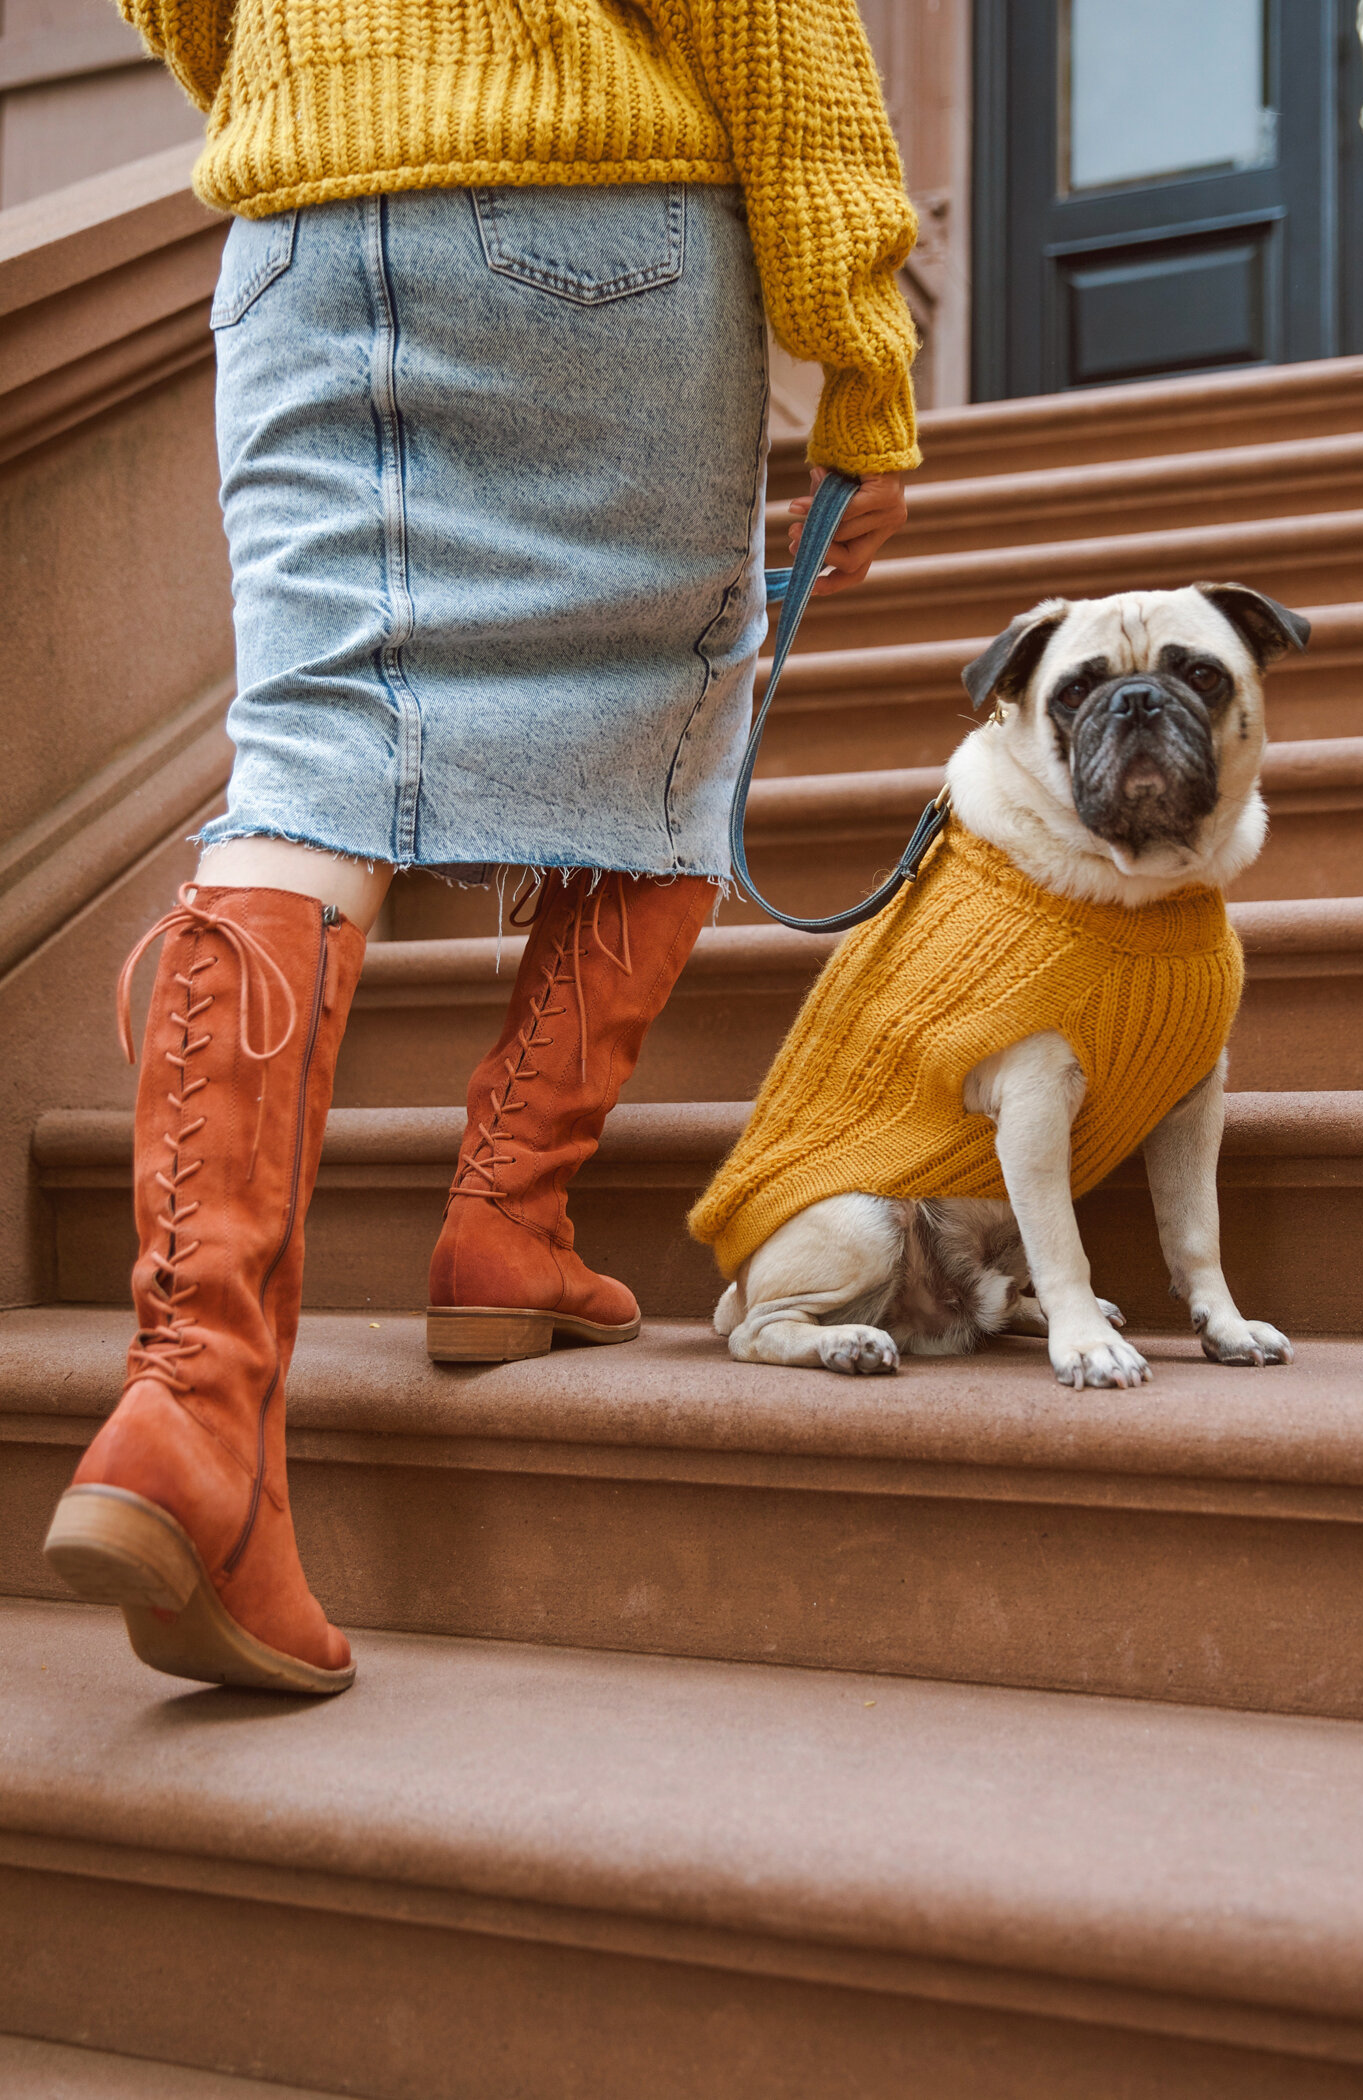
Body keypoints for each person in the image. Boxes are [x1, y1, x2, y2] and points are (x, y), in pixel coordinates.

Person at [43, 0, 920, 1693]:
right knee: (669, 724)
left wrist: (320, 79)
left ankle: (191, 1399)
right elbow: (776, 24)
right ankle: (507, 1201)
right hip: (602, 218)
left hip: (303, 220)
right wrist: (864, 365)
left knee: (307, 760)